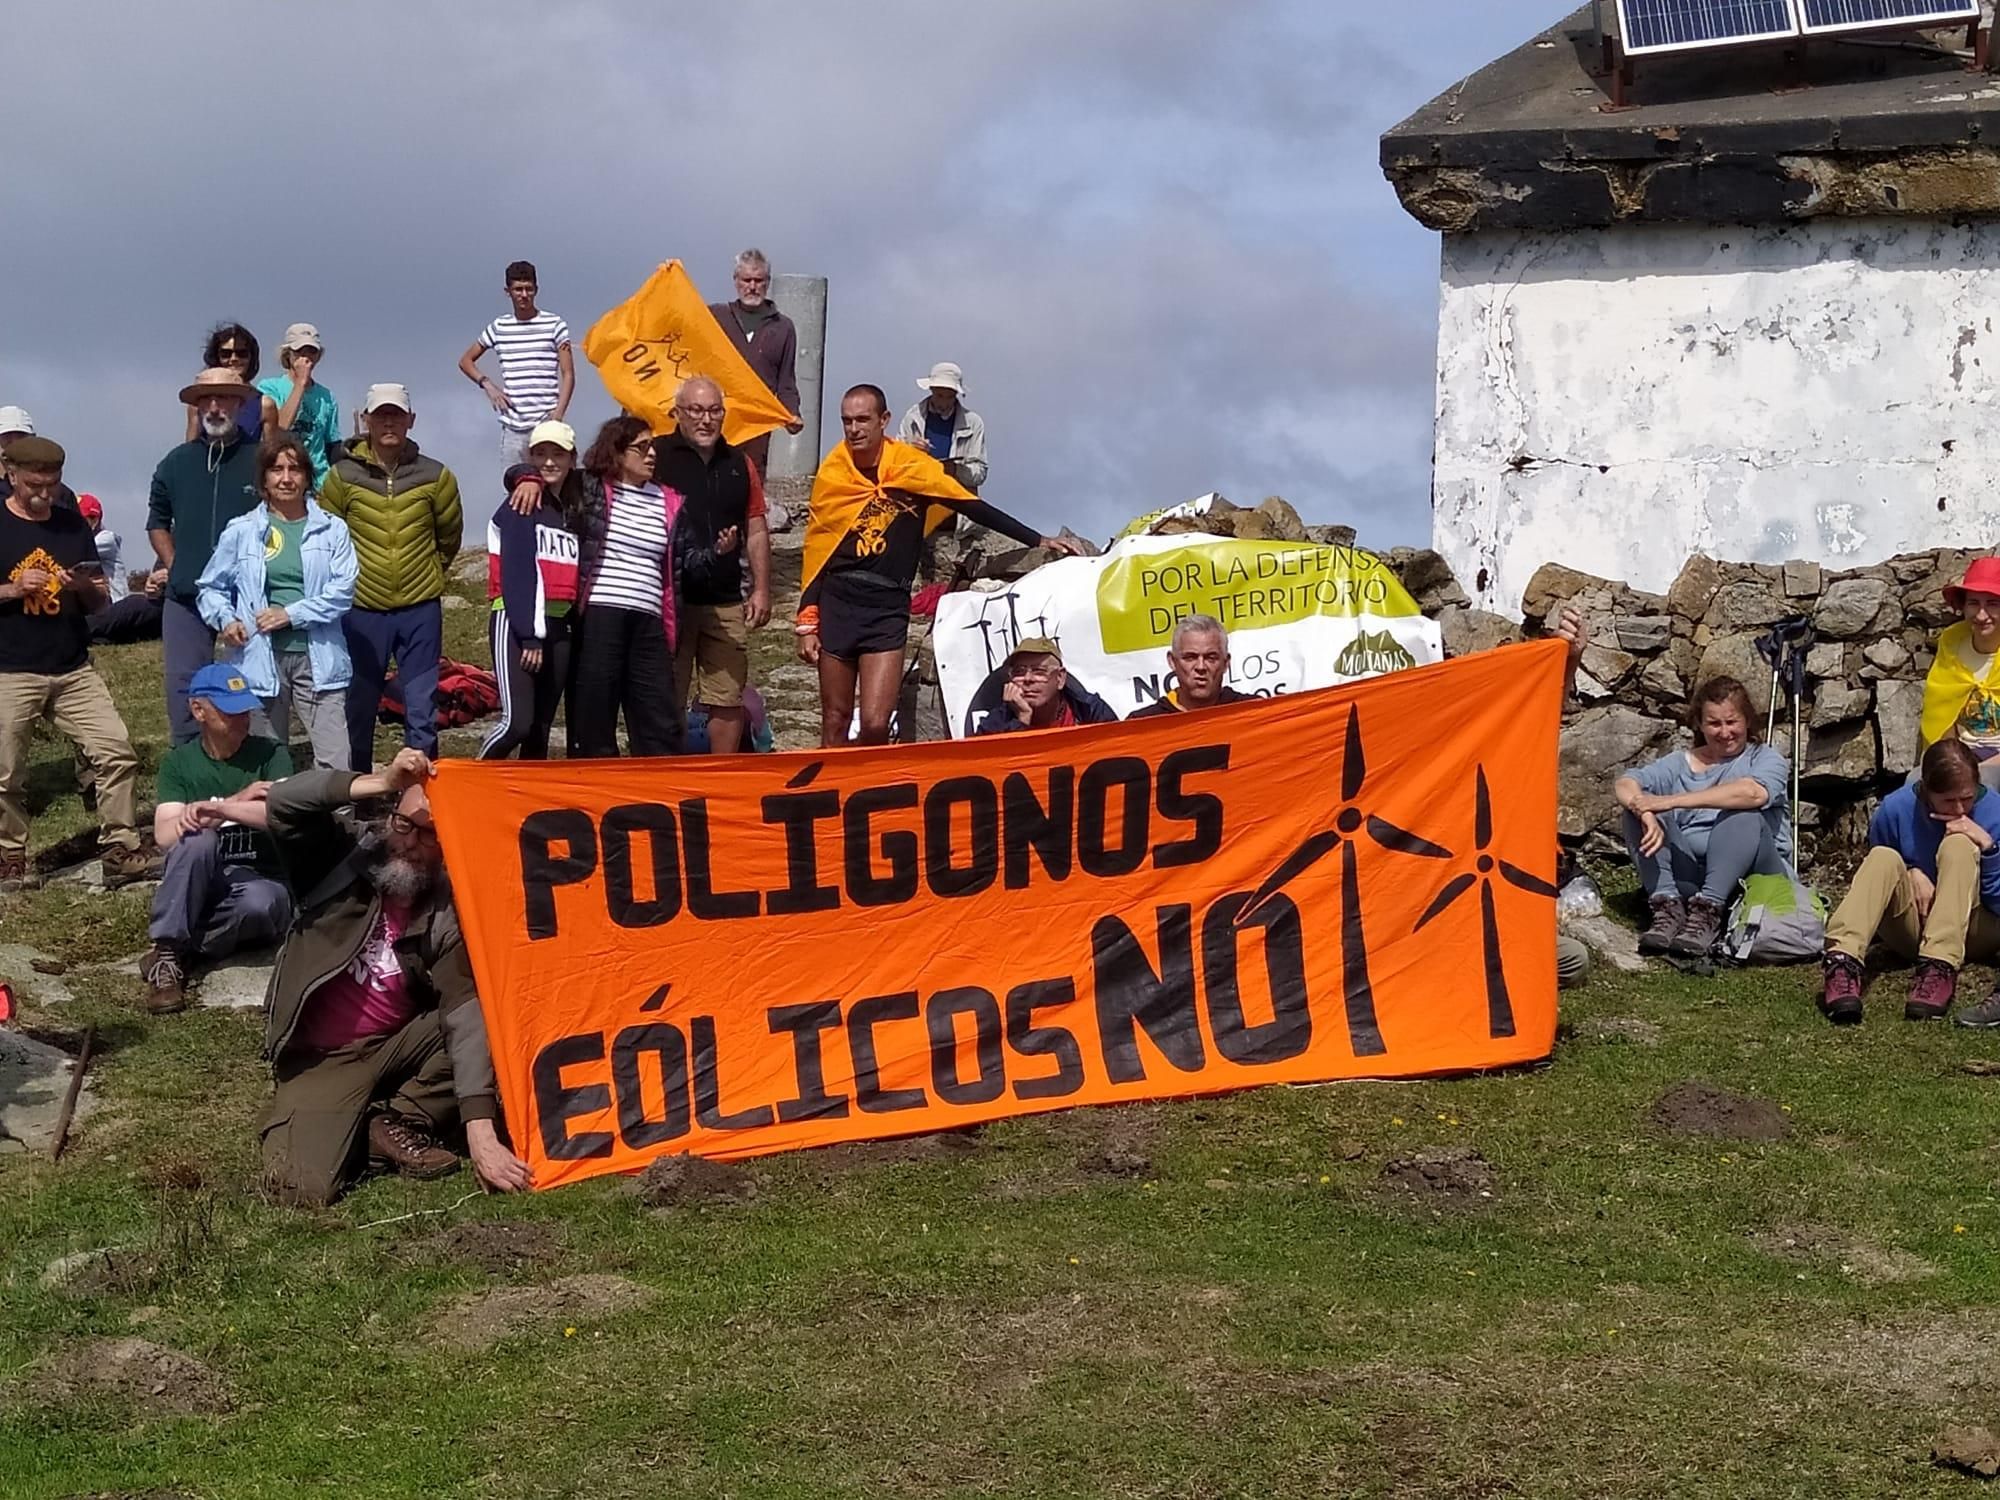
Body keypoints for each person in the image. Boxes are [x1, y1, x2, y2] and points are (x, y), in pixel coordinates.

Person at [256, 749, 532, 1206]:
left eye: (430, 834)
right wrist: (383, 780)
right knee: (298, 1190)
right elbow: (284, 801)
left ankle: (401, 1118)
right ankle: (353, 1128)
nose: (410, 842)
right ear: (390, 816)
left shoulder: (449, 904)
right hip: (323, 1057)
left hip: (400, 1041)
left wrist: (481, 1135)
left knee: (497, 1010)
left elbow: (465, 1013)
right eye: (405, 824)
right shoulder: (340, 856)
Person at [797, 385, 1077, 748]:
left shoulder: (913, 468)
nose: (854, 429)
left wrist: (1036, 540)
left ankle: (871, 797)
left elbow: (970, 505)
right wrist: (807, 620)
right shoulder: (834, 473)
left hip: (886, 606)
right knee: (835, 720)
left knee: (876, 723)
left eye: (863, 419)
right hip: (840, 600)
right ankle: (828, 797)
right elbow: (818, 548)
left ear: (884, 421)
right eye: (847, 421)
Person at [0, 437, 159, 891]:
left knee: (116, 752)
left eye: (52, 484)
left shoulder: (73, 526)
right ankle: (9, 855)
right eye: (35, 484)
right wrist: (13, 589)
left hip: (72, 665)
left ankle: (120, 847)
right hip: (10, 666)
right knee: (6, 771)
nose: (44, 494)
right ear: (11, 474)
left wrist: (81, 587)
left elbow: (99, 602)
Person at [318, 384, 462, 772]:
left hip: (420, 609)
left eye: (396, 414)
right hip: (362, 609)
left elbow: (449, 535)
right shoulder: (341, 477)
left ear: (410, 420)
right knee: (359, 705)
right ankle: (358, 791)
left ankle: (422, 796)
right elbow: (325, 537)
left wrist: (431, 573)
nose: (388, 422)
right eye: (380, 414)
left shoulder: (436, 475)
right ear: (366, 420)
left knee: (421, 705)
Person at [196, 433, 358, 770]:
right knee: (268, 758)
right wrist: (226, 620)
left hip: (320, 658)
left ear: (307, 478)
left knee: (335, 757)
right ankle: (272, 823)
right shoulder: (240, 530)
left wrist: (291, 614)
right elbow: (210, 588)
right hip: (258, 658)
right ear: (264, 480)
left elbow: (343, 592)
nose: (286, 478)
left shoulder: (333, 529)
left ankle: (338, 822)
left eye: (295, 469)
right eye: (277, 470)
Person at [141, 664, 295, 1014]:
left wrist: (213, 811)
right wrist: (237, 802)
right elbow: (167, 833)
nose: (242, 719)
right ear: (199, 710)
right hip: (202, 877)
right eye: (230, 711)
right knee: (197, 842)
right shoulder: (179, 763)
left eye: (245, 709)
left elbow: (280, 815)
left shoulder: (272, 754)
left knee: (260, 904)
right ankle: (167, 952)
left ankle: (179, 950)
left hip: (260, 878)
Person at [1819, 738, 2000, 1026]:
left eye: (1967, 798)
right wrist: (1911, 869)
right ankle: (1842, 960)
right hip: (1914, 925)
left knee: (1960, 846)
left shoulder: (1995, 811)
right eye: (1948, 800)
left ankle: (1939, 967)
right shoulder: (1895, 809)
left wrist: (1988, 847)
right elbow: (1880, 879)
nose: (1959, 809)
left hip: (1975, 928)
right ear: (1927, 791)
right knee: (1882, 857)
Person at [1616, 676, 1792, 959]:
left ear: (1747, 720)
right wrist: (1645, 810)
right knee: (1636, 808)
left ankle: (1709, 910)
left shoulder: (1766, 759)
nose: (1725, 732)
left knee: (1742, 814)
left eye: (1731, 722)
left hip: (1756, 873)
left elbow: (1752, 794)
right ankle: (1668, 908)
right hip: (1692, 873)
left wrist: (1668, 801)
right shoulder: (1679, 762)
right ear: (1699, 724)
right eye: (1714, 724)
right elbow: (1626, 783)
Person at [568, 415, 701, 758]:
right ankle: (596, 789)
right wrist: (523, 478)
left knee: (658, 715)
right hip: (601, 610)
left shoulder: (670, 500)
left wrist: (718, 554)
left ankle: (659, 790)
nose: (652, 454)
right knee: (595, 708)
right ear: (617, 452)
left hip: (650, 617)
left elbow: (686, 562)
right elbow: (542, 474)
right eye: (642, 447)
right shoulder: (590, 487)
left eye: (653, 446)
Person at [653, 377, 768, 754]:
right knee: (666, 694)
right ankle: (666, 777)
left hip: (724, 598)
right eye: (696, 411)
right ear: (677, 413)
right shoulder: (656, 456)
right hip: (671, 598)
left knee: (727, 696)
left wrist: (762, 588)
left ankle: (722, 778)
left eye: (714, 410)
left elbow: (755, 525)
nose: (706, 420)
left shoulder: (739, 463)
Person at [149, 367, 264, 743]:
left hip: (246, 597)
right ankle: (188, 772)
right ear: (196, 407)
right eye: (206, 400)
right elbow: (157, 520)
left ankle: (253, 773)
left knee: (252, 688)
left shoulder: (262, 459)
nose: (214, 407)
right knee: (183, 689)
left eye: (224, 398)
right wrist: (175, 565)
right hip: (187, 597)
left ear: (239, 403)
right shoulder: (176, 462)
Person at [481, 420, 580, 760]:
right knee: (517, 723)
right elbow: (519, 572)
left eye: (558, 454)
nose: (549, 462)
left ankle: (525, 804)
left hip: (559, 626)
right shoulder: (521, 502)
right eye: (540, 454)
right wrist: (529, 635)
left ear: (572, 458)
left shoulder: (570, 508)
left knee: (540, 727)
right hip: (517, 622)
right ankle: (474, 782)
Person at [459, 260, 573, 467]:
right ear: (508, 291)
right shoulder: (500, 326)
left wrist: (558, 414)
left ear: (536, 290)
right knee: (514, 490)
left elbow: (568, 374)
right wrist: (488, 385)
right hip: (514, 426)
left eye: (529, 289)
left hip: (546, 419)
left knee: (554, 485)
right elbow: (466, 361)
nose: (524, 295)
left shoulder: (555, 324)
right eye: (518, 289)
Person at [706, 249, 802, 475]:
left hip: (756, 429)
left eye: (758, 280)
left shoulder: (783, 327)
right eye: (746, 280)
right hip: (715, 420)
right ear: (736, 281)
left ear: (767, 282)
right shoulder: (716, 317)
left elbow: (786, 380)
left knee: (750, 485)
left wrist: (792, 413)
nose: (752, 286)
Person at [1919, 557, 2000, 793]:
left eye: (1993, 604)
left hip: (1994, 762)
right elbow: (1943, 712)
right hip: (1960, 754)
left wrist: (1975, 769)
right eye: (1974, 603)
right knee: (1912, 787)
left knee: (1984, 787)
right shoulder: (1952, 644)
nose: (1981, 615)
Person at [972, 637, 1116, 734]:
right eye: (1019, 672)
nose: (1028, 679)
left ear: (1059, 678)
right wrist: (1022, 719)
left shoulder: (1090, 711)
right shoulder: (994, 724)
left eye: (1039, 671)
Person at [257, 323, 342, 486]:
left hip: (319, 483)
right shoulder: (269, 387)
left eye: (312, 351)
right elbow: (279, 428)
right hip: (284, 479)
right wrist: (300, 384)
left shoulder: (327, 397)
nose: (306, 356)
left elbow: (332, 445)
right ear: (288, 354)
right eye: (299, 351)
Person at [1127, 616, 1255, 719]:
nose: (1201, 667)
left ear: (1226, 663)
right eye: (1190, 657)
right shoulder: (1142, 724)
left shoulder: (1253, 712)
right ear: (1172, 661)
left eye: (1211, 658)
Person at [81, 493, 164, 645]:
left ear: (94, 520)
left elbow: (77, 551)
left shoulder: (106, 539)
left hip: (115, 602)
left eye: (80, 520)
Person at [899, 362, 988, 493]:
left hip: (957, 505)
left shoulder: (973, 423)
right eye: (940, 396)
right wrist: (913, 454)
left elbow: (980, 473)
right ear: (931, 390)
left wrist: (955, 470)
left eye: (950, 397)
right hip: (920, 502)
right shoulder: (912, 418)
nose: (944, 403)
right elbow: (896, 465)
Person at [183, 325, 280, 443]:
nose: (234, 359)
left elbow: (271, 453)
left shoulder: (265, 404)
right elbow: (190, 447)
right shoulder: (197, 403)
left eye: (242, 353)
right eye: (226, 354)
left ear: (251, 357)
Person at [0, 408, 80, 512]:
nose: (14, 442)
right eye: (6, 437)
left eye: (21, 436)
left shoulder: (62, 495)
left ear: (33, 438)